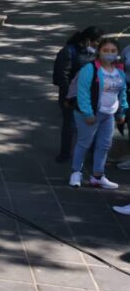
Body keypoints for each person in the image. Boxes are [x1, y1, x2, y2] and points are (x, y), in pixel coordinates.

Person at [68, 39, 127, 189]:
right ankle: (76, 173)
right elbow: (82, 93)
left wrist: (121, 112)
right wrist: (88, 113)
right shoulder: (90, 69)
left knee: (104, 145)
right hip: (90, 114)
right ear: (99, 52)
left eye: (113, 51)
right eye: (106, 50)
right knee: (84, 143)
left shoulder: (119, 72)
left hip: (109, 115)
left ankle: (98, 176)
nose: (109, 54)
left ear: (117, 53)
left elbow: (122, 93)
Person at [53, 26, 103, 162]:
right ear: (88, 40)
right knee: (70, 124)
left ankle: (92, 153)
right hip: (72, 96)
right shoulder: (68, 52)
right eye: (96, 41)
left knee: (93, 123)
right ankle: (65, 153)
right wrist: (70, 96)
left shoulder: (93, 53)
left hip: (90, 95)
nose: (98, 45)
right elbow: (62, 76)